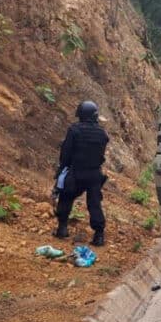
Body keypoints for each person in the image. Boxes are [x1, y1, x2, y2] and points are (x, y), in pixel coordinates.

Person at [53, 100, 109, 246]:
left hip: (76, 172)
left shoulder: (74, 130)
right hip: (95, 174)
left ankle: (62, 228)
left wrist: (61, 170)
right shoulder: (102, 133)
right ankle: (99, 235)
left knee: (65, 197)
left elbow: (65, 153)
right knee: (95, 204)